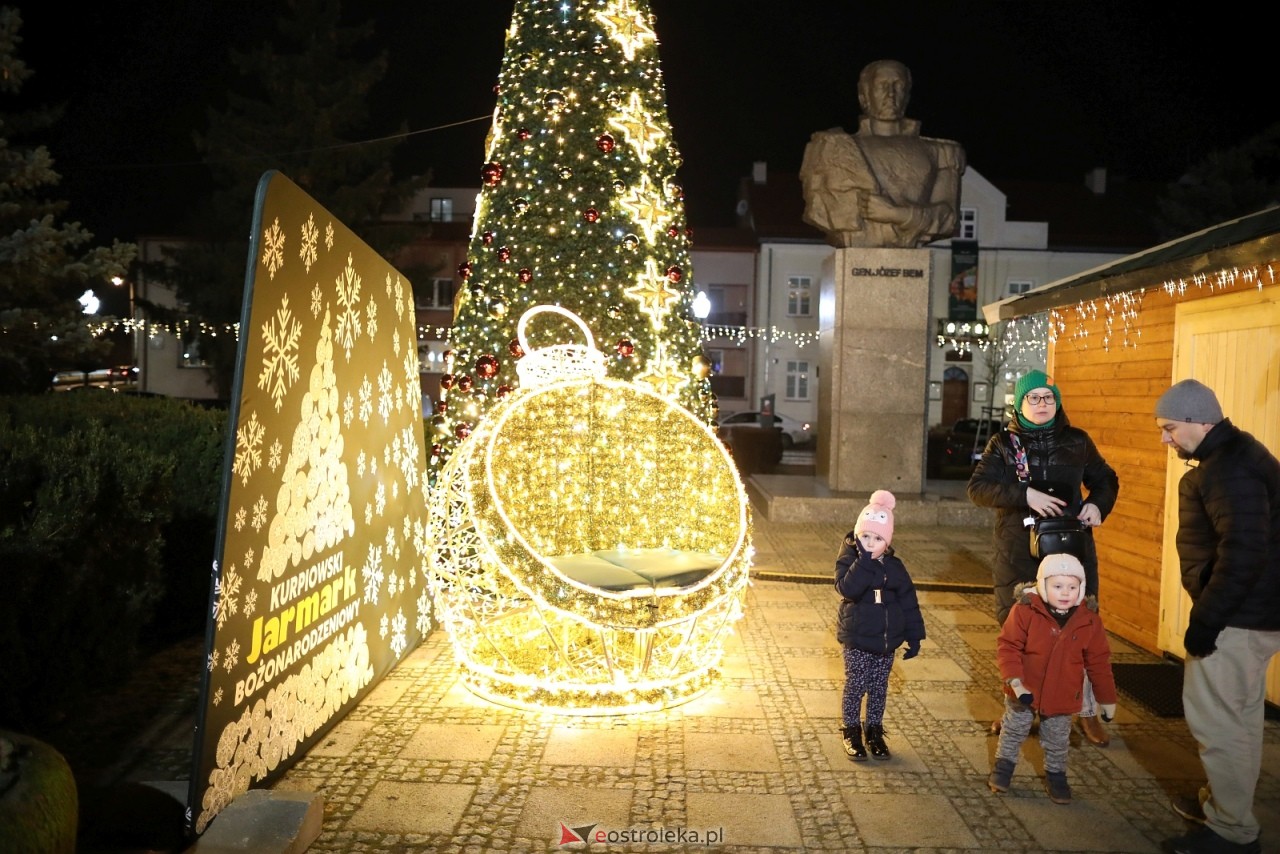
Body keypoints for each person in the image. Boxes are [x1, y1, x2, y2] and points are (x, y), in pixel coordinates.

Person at [1154, 379, 1280, 854]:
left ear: (1200, 422)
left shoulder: (1230, 470)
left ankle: (1231, 830)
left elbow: (1244, 551)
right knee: (1241, 718)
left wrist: (1207, 618)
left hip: (1237, 619)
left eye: (1170, 429)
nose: (1165, 439)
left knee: (1219, 723)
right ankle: (1229, 807)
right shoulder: (1236, 456)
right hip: (1253, 614)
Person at [967, 369, 1120, 746]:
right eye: (1032, 398)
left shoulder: (1077, 441)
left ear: (1057, 402)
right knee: (1017, 631)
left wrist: (1099, 505)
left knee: (1079, 628)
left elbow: (1106, 479)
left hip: (1070, 547)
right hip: (1018, 551)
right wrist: (1026, 495)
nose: (1041, 404)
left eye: (1047, 397)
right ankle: (1017, 711)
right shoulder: (1003, 443)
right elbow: (978, 488)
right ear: (1019, 404)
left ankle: (1084, 713)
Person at [988, 553, 1117, 804]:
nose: (1065, 593)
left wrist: (1107, 698)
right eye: (1057, 586)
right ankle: (1003, 768)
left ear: (1081, 587)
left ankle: (1056, 776)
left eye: (1072, 586)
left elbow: (1099, 662)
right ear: (1043, 585)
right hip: (1025, 688)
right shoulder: (1025, 610)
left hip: (1063, 693)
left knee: (1058, 739)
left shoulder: (1088, 620)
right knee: (1014, 730)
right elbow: (1008, 646)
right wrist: (1014, 680)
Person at [799, 59, 965, 249]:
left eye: (898, 85)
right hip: (857, 248)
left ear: (907, 94)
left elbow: (948, 218)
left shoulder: (942, 152)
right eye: (881, 86)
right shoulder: (833, 149)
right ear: (864, 95)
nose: (890, 94)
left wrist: (896, 214)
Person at [834, 490, 925, 761]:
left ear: (887, 541)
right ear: (857, 536)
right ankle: (851, 730)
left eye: (878, 538)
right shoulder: (851, 561)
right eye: (866, 537)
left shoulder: (894, 566)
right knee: (856, 685)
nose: (871, 543)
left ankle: (874, 729)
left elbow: (908, 601)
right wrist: (862, 562)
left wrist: (914, 635)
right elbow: (846, 588)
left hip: (886, 641)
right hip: (858, 636)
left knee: (878, 687)